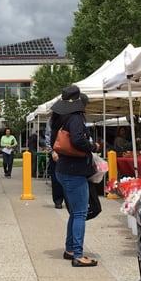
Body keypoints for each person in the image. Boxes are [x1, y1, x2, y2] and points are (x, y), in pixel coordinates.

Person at [50, 85, 99, 267]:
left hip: (62, 169)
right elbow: (78, 140)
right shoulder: (76, 118)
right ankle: (78, 254)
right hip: (75, 171)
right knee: (80, 213)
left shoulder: (59, 118)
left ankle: (70, 249)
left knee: (74, 212)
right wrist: (93, 147)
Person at [45, 120, 64, 209]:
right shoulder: (52, 120)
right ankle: (58, 200)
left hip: (68, 153)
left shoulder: (72, 119)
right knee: (56, 178)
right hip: (55, 152)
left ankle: (68, 199)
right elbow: (48, 136)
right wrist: (52, 151)